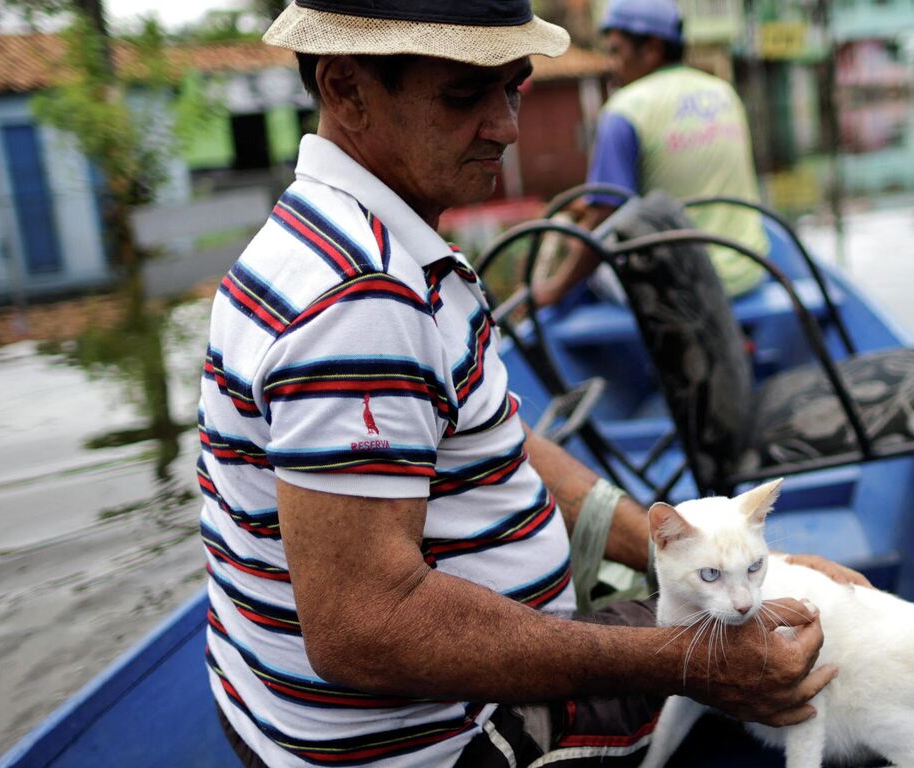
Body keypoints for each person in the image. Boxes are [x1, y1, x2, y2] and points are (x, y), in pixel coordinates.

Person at [203, 3, 868, 767]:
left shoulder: (342, 239)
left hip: (296, 718)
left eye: (512, 89)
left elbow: (501, 439)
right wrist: (686, 663)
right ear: (347, 89)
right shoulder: (360, 304)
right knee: (815, 648)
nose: (506, 126)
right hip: (446, 744)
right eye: (464, 97)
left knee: (772, 606)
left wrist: (683, 539)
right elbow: (365, 627)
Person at [530, 0, 770, 307]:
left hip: (681, 288)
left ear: (652, 48)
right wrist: (584, 205)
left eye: (617, 51)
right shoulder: (723, 92)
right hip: (749, 272)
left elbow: (605, 217)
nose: (611, 64)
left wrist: (553, 290)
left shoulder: (625, 109)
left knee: (589, 273)